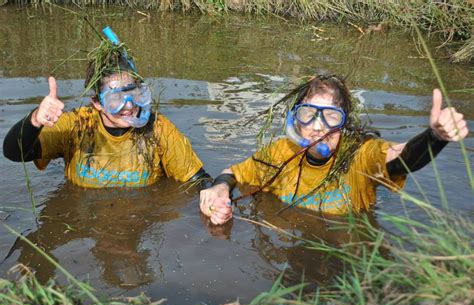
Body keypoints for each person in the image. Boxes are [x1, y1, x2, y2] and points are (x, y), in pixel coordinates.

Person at [199, 74, 469, 225]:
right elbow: (232, 172)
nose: (318, 128)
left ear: (344, 123)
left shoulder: (359, 155)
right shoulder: (280, 153)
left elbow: (399, 158)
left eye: (330, 117)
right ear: (296, 120)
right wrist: (220, 190)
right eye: (308, 115)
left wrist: (434, 137)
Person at [3, 28, 210, 188]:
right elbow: (14, 152)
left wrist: (215, 197)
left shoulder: (158, 130)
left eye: (133, 92)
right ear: (97, 102)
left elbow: (200, 181)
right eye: (115, 98)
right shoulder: (78, 125)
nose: (128, 105)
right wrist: (35, 120)